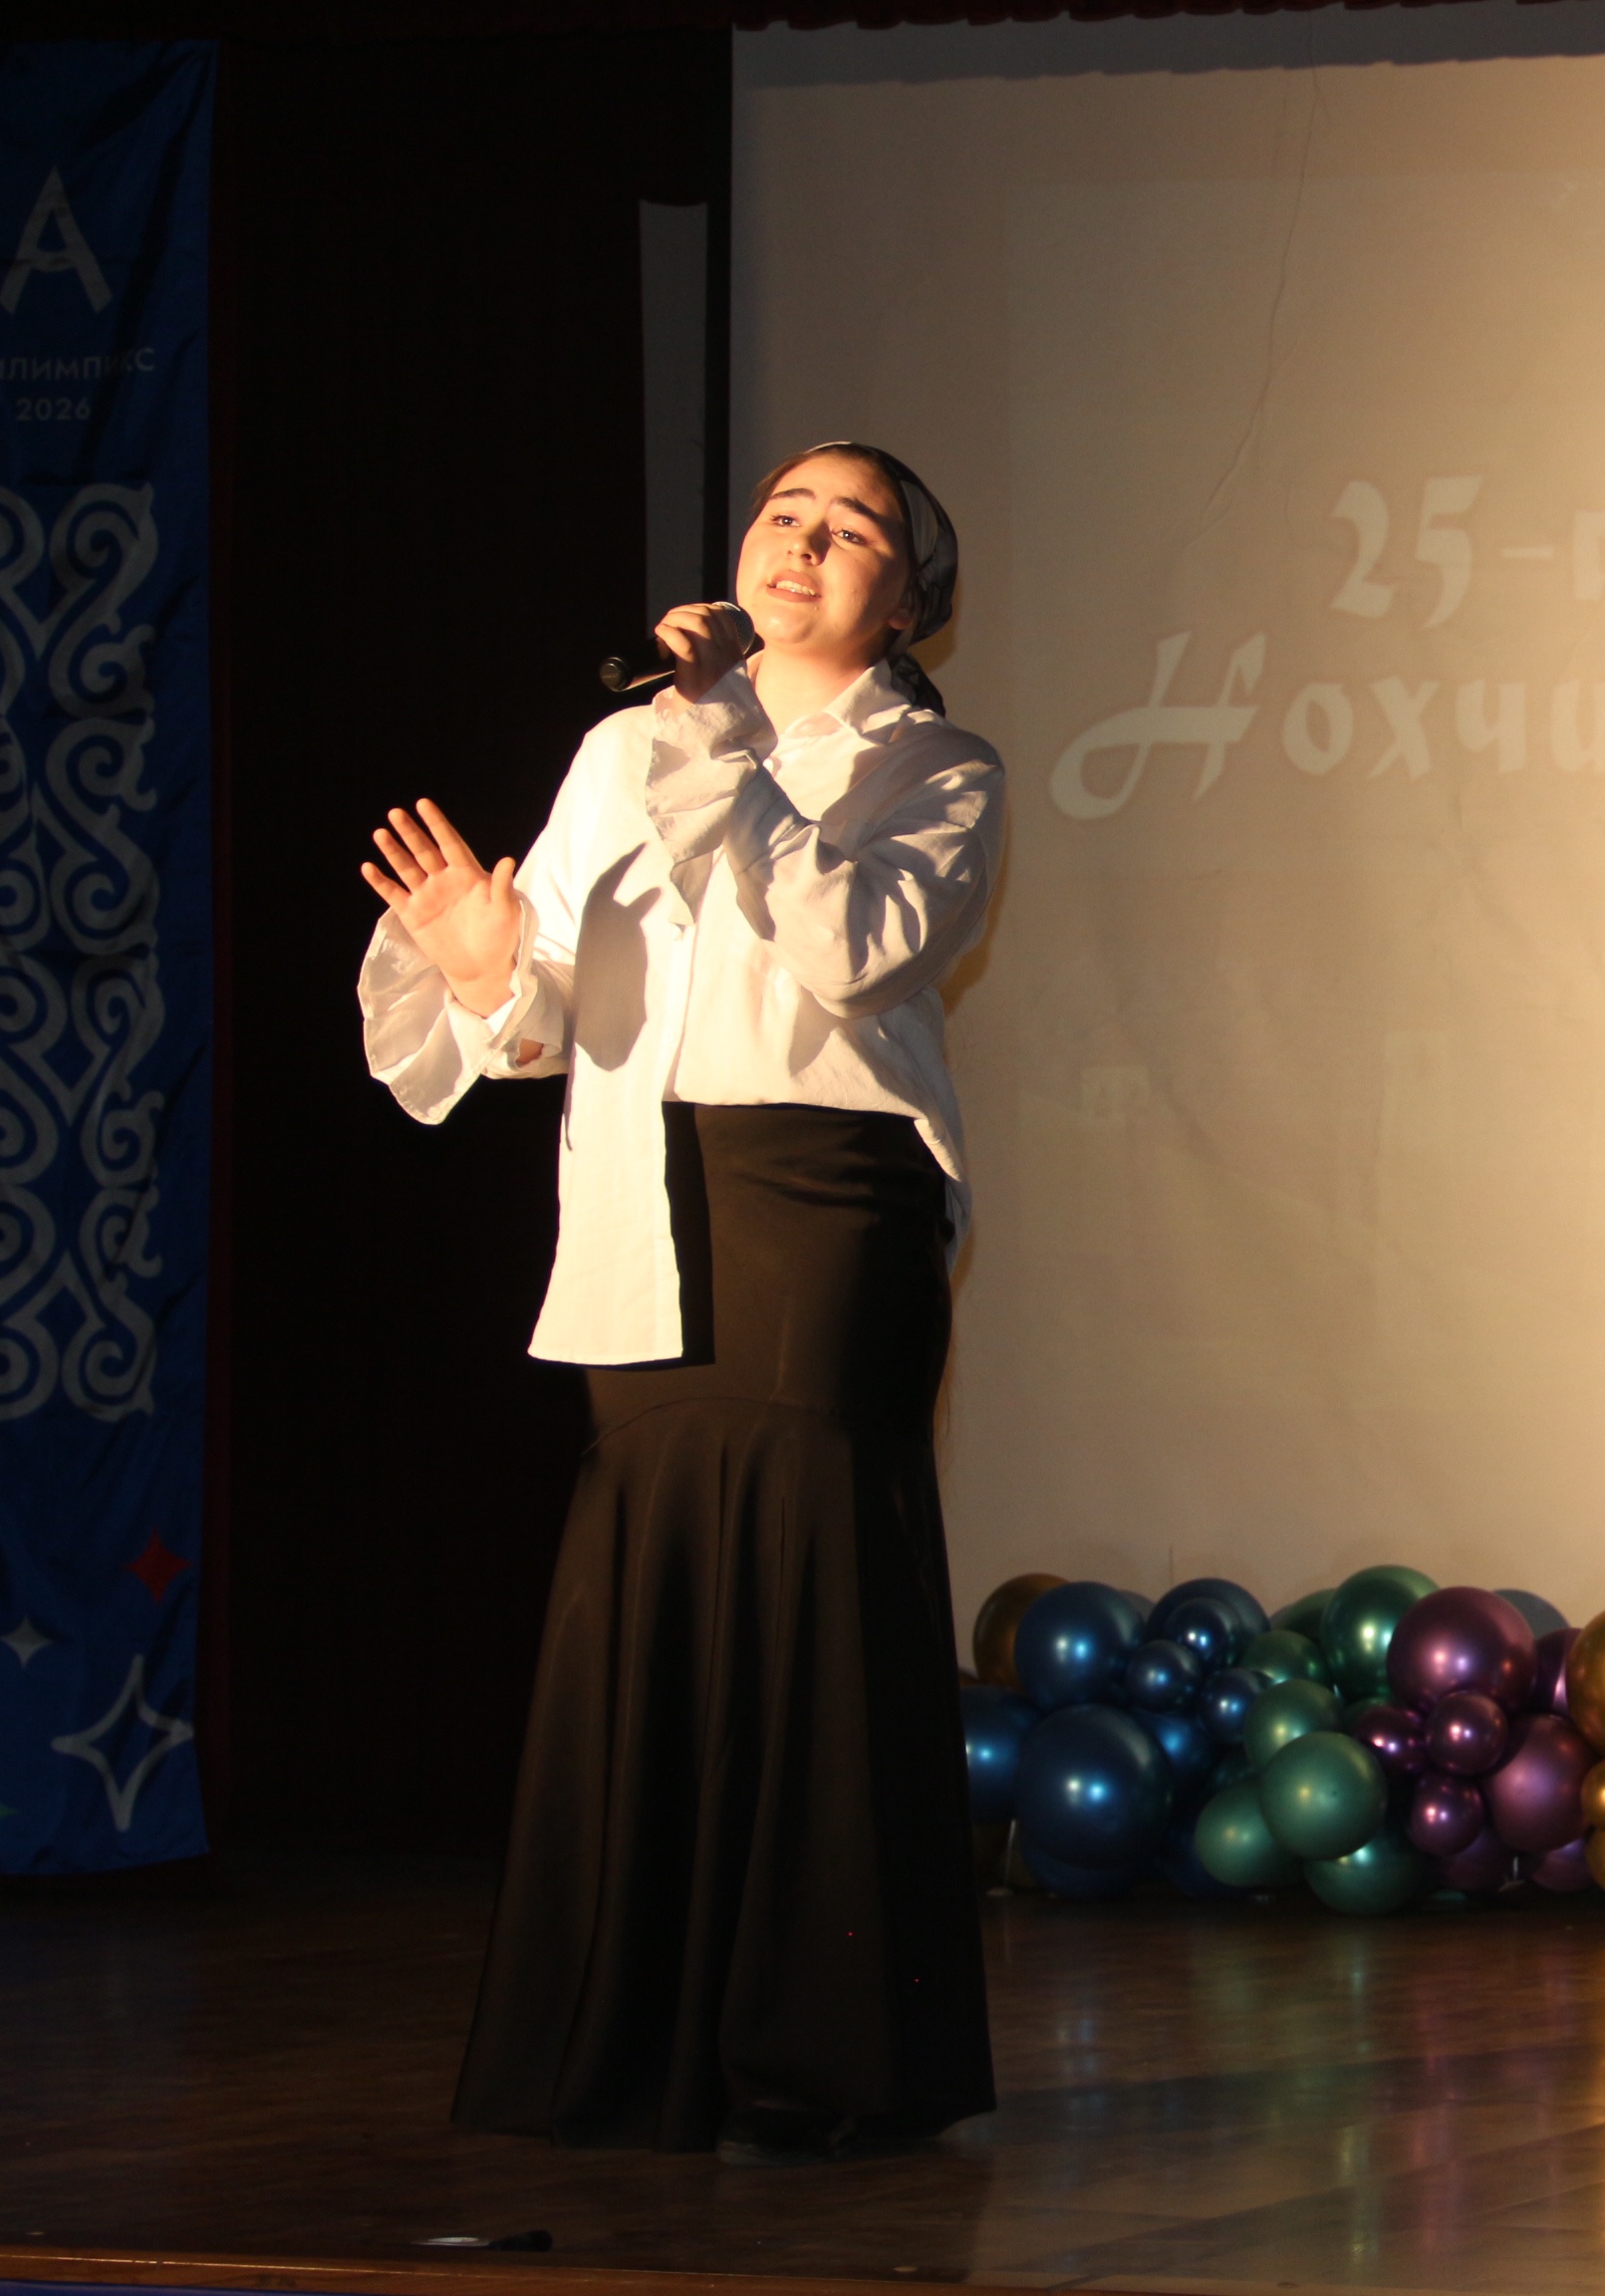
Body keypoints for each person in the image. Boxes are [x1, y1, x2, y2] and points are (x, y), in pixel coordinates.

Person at [358, 443, 1001, 2163]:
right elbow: (549, 1018)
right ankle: (625, 2047)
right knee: (647, 1589)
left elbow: (851, 950)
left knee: (812, 1581)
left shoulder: (938, 767)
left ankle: (826, 2057)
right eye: (786, 513)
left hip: (828, 1196)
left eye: (853, 528)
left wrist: (719, 736)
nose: (805, 541)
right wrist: (488, 969)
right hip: (646, 1194)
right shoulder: (619, 749)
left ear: (910, 603)